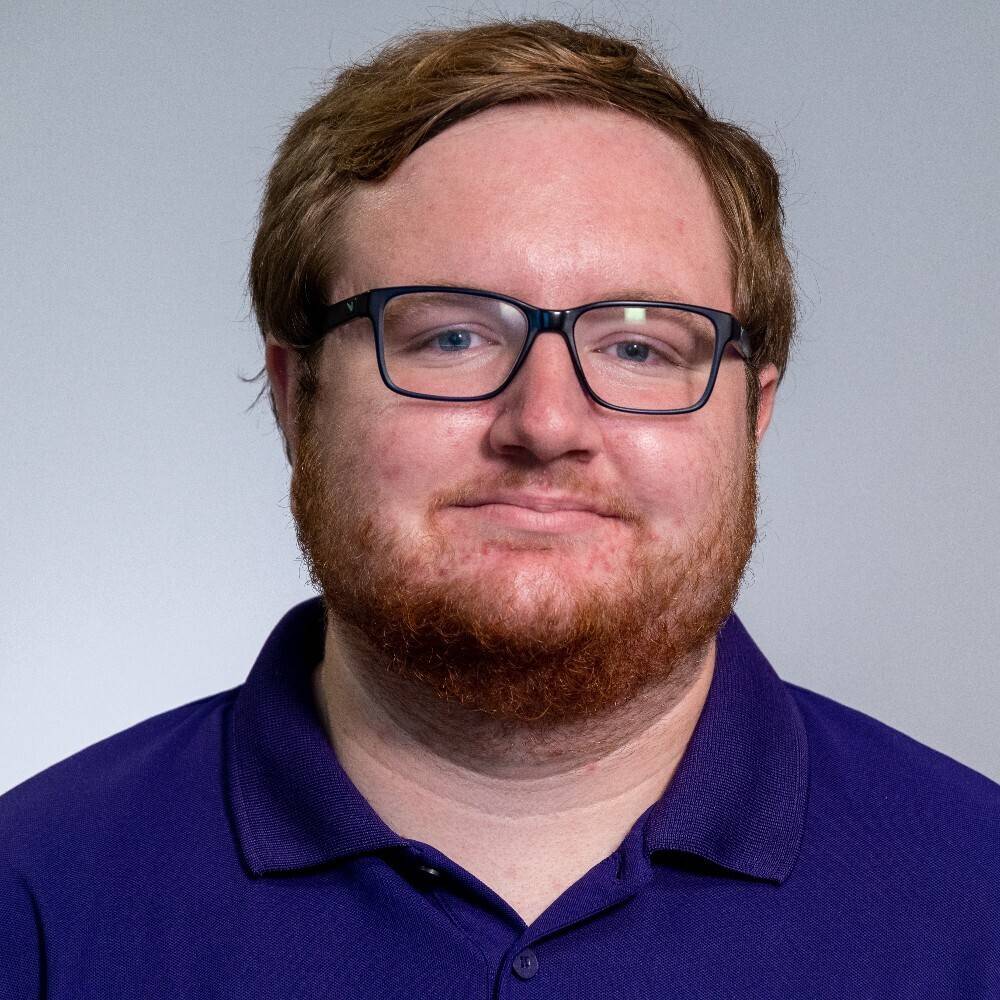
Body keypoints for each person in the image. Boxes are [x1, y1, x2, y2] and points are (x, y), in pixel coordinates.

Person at [2, 18, 997, 998]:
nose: (547, 422)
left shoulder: (979, 898)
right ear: (297, 395)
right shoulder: (34, 900)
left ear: (753, 416)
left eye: (640, 347)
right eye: (452, 337)